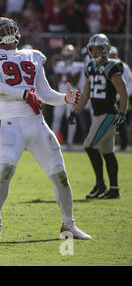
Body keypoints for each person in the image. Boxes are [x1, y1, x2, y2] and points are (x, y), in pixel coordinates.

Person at [0, 17, 91, 240]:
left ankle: (69, 225)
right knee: (4, 171)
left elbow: (46, 93)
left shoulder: (33, 55)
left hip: (37, 123)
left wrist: (65, 98)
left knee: (60, 175)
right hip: (11, 124)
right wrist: (23, 94)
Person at [69, 34, 128, 199]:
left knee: (89, 146)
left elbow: (123, 93)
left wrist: (123, 113)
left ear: (106, 49)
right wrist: (75, 111)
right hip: (98, 114)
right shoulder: (90, 67)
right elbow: (86, 93)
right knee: (108, 153)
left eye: (98, 48)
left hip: (109, 114)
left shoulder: (112, 66)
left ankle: (100, 184)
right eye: (92, 49)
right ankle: (114, 189)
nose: (95, 52)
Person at [51, 44, 84, 150]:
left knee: (71, 118)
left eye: (68, 56)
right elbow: (56, 80)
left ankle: (69, 142)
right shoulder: (60, 64)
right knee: (56, 116)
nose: (66, 58)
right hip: (60, 95)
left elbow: (76, 81)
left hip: (71, 97)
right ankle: (52, 141)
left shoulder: (78, 66)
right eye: (65, 56)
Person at [107, 46, 132, 151]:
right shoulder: (106, 66)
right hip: (111, 99)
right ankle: (110, 145)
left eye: (113, 55)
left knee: (122, 122)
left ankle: (124, 144)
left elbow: (130, 82)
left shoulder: (123, 67)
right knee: (110, 123)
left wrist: (124, 95)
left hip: (122, 99)